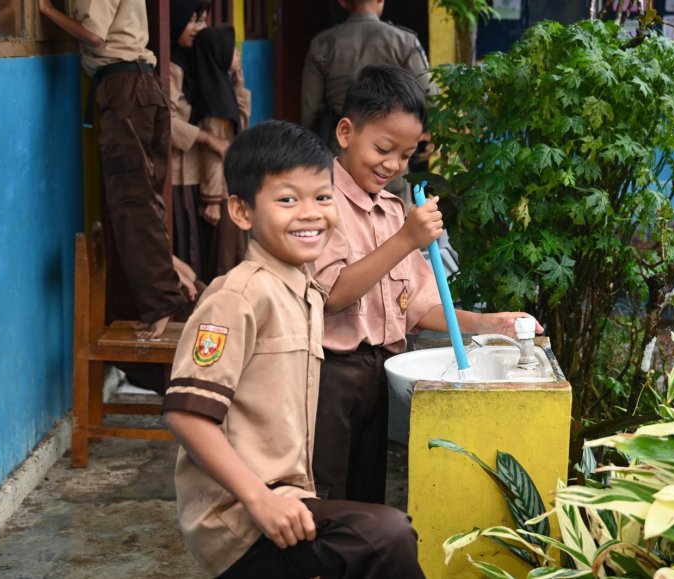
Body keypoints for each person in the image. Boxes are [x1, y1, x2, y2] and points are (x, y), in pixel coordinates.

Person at [163, 120, 426, 579]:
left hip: (289, 498)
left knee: (379, 529)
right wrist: (259, 499)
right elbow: (186, 413)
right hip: (240, 518)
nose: (310, 213)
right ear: (242, 212)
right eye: (288, 199)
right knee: (385, 537)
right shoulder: (238, 296)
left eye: (323, 197)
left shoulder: (302, 290)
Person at [312, 65, 544, 503]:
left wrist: (489, 323)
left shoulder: (395, 212)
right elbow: (335, 294)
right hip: (329, 378)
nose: (393, 165)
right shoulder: (320, 203)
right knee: (325, 496)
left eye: (405, 155)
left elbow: (417, 309)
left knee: (365, 497)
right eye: (383, 148)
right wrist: (407, 241)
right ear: (345, 132)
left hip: (380, 373)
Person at [39, 0, 190, 340]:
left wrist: (47, 12)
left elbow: (93, 35)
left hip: (125, 90)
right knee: (144, 202)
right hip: (141, 86)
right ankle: (158, 302)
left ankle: (163, 303)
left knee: (132, 203)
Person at [301, 0, 433, 151]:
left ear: (342, 2)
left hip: (341, 147)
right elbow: (430, 98)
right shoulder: (404, 42)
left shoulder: (322, 44)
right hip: (390, 148)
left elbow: (310, 111)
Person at [168, 0, 234, 284]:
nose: (199, 28)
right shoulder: (170, 65)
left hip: (198, 174)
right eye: (192, 20)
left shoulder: (195, 61)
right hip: (179, 172)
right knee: (187, 246)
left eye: (202, 20)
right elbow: (165, 122)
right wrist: (207, 140)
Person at [193, 25, 252, 280]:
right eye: (233, 50)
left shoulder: (223, 90)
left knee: (234, 254)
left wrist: (240, 86)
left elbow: (242, 123)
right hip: (221, 194)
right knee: (226, 260)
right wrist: (211, 201)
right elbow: (213, 156)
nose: (238, 53)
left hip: (230, 190)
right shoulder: (214, 102)